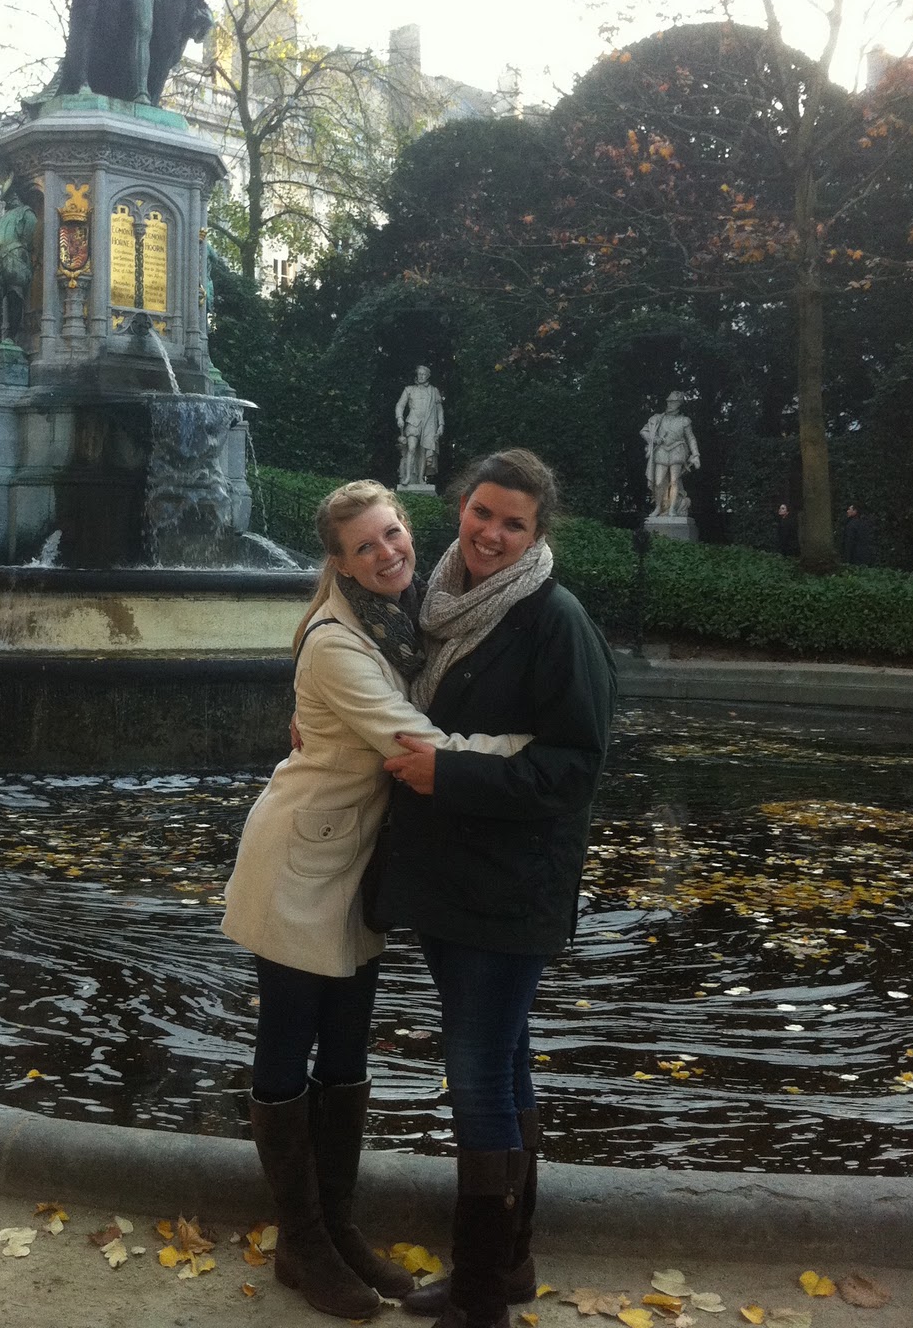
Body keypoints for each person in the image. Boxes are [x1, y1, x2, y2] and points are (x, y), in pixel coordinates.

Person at [221, 480, 526, 1322]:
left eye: (392, 533)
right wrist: (529, 748)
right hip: (297, 867)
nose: (387, 552)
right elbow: (414, 743)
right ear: (341, 562)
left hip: (354, 865)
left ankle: (337, 1228)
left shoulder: (403, 618)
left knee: (348, 1049)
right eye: (365, 546)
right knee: (289, 1041)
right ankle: (301, 1242)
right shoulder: (336, 643)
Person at [375, 449, 616, 1328]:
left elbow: (573, 768)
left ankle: (479, 1298)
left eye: (512, 523)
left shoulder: (554, 621)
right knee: (503, 1062)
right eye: (481, 512)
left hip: (510, 887)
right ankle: (507, 1266)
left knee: (476, 1072)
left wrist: (450, 776)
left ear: (537, 532)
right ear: (460, 508)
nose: (491, 533)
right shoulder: (436, 602)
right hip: (453, 878)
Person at [640, 391, 699, 517]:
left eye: (673, 402)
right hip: (661, 451)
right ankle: (658, 507)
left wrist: (696, 454)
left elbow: (691, 438)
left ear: (679, 404)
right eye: (669, 401)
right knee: (658, 482)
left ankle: (672, 509)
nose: (670, 404)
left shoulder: (684, 421)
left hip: (677, 450)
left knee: (674, 481)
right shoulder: (658, 418)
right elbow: (644, 431)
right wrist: (655, 439)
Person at [396, 365, 445, 487]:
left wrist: (441, 424)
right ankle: (408, 477)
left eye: (424, 374)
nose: (421, 376)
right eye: (419, 374)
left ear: (428, 376)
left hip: (428, 424)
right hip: (413, 422)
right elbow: (400, 405)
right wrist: (399, 417)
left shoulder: (433, 391)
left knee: (423, 451)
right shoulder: (409, 389)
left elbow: (439, 409)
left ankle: (420, 479)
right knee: (411, 448)